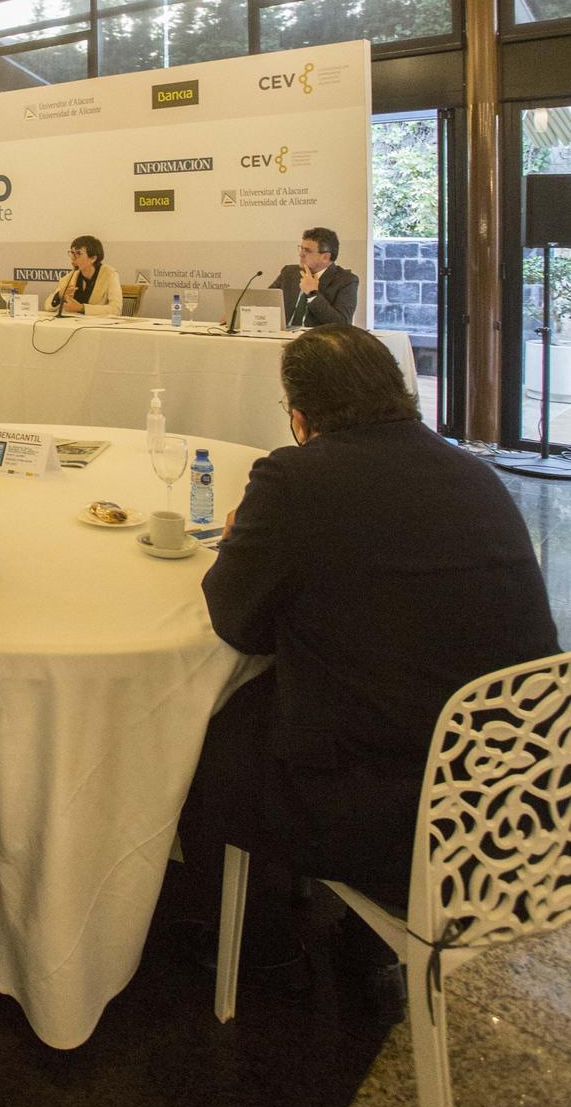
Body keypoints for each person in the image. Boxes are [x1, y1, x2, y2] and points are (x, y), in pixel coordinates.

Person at [177, 325, 557, 985]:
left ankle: (258, 942)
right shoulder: (472, 474)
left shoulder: (294, 478)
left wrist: (241, 539)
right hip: (522, 788)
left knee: (204, 739)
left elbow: (235, 622)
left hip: (395, 813)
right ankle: (365, 936)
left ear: (299, 414)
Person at [275, 226, 359, 329]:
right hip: (281, 336)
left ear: (325, 257)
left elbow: (342, 324)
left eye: (307, 251)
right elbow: (267, 301)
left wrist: (312, 294)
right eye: (301, 249)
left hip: (318, 340)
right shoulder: (289, 273)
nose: (301, 254)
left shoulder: (346, 280)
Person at [48, 235, 123, 317]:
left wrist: (82, 308)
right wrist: (59, 295)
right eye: (72, 253)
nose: (73, 258)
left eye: (78, 253)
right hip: (73, 325)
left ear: (93, 258)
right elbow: (48, 307)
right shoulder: (71, 276)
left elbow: (116, 309)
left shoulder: (109, 274)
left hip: (97, 327)